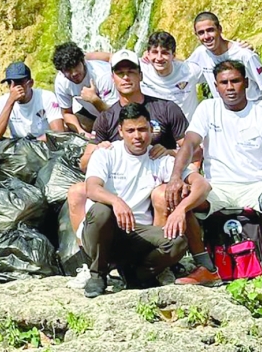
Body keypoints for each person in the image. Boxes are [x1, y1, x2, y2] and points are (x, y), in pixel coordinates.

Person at [171, 58, 262, 285]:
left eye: (235, 81)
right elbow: (190, 144)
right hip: (217, 188)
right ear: (216, 85)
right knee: (180, 193)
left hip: (256, 186)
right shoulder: (207, 109)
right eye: (224, 83)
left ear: (245, 83)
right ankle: (206, 268)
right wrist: (175, 177)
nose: (230, 87)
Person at [81, 104, 209, 298]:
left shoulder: (159, 158)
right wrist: (116, 201)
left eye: (142, 129)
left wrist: (181, 210)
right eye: (130, 130)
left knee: (177, 241)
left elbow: (202, 185)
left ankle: (137, 274)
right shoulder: (106, 154)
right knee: (101, 211)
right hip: (102, 231)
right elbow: (91, 188)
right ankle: (97, 274)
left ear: (151, 129)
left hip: (137, 233)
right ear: (120, 132)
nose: (137, 136)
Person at [187, 11, 262, 112]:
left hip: (255, 110)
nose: (206, 36)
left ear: (220, 29)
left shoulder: (244, 54)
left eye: (210, 30)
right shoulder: (200, 54)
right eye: (201, 33)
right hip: (227, 114)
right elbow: (179, 69)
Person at [52, 43, 119, 135]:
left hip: (118, 112)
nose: (74, 73)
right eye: (68, 70)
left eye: (76, 66)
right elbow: (67, 113)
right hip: (92, 113)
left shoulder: (103, 76)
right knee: (64, 127)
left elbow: (114, 116)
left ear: (83, 61)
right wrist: (81, 132)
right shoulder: (61, 82)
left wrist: (94, 99)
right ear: (61, 71)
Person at [0, 61, 65, 140]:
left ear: (31, 83)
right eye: (10, 83)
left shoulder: (47, 97)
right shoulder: (2, 102)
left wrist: (33, 143)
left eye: (19, 82)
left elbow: (58, 132)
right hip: (18, 145)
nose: (14, 87)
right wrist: (10, 102)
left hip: (43, 143)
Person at [141, 30, 200, 121]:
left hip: (187, 131)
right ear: (148, 54)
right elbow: (112, 58)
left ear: (174, 55)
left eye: (165, 53)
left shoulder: (189, 71)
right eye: (155, 52)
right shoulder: (139, 68)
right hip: (155, 131)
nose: (159, 58)